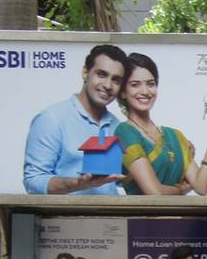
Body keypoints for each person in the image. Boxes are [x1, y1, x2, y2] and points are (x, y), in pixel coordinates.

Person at [114, 52, 207, 196]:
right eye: (135, 85)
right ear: (122, 92)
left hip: (180, 215)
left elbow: (202, 187)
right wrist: (181, 190)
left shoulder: (174, 136)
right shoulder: (124, 132)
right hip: (147, 217)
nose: (145, 91)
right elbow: (154, 192)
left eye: (151, 84)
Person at [23, 45, 129, 195]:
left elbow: (119, 179)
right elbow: (34, 181)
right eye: (101, 74)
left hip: (111, 217)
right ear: (85, 73)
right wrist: (78, 183)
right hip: (63, 217)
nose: (108, 85)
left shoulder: (118, 126)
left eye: (116, 80)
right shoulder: (52, 119)